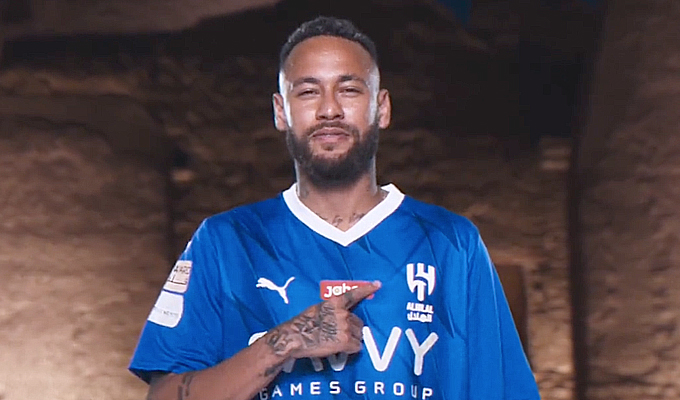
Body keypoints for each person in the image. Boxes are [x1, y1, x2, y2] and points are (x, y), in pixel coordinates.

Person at [129, 16, 541, 400]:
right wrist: (283, 344)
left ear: (382, 108)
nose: (329, 109)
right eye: (308, 91)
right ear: (281, 112)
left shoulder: (451, 243)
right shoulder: (226, 242)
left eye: (349, 89)